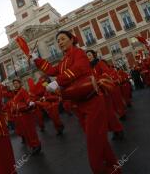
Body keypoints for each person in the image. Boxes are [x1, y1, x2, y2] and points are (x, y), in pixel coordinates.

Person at [33, 30, 121, 174]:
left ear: (72, 39)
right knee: (100, 142)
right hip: (79, 104)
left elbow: (79, 68)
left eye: (62, 39)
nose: (60, 42)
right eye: (58, 41)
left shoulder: (79, 53)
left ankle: (99, 170)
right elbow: (51, 70)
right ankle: (114, 169)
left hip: (92, 102)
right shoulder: (63, 61)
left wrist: (58, 82)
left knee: (94, 144)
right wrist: (36, 59)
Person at [86, 49, 124, 140]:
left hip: (104, 91)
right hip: (96, 94)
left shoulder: (100, 63)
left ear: (94, 56)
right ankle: (114, 131)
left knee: (109, 113)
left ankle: (119, 130)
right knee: (104, 115)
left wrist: (98, 80)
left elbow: (107, 73)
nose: (88, 57)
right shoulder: (88, 68)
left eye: (89, 55)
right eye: (86, 56)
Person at [5, 78, 42, 155]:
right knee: (26, 132)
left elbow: (27, 99)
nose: (15, 85)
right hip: (20, 116)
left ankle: (37, 145)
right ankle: (32, 146)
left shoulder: (22, 91)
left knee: (30, 131)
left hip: (25, 115)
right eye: (14, 84)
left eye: (16, 83)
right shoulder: (15, 93)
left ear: (20, 84)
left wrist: (29, 103)